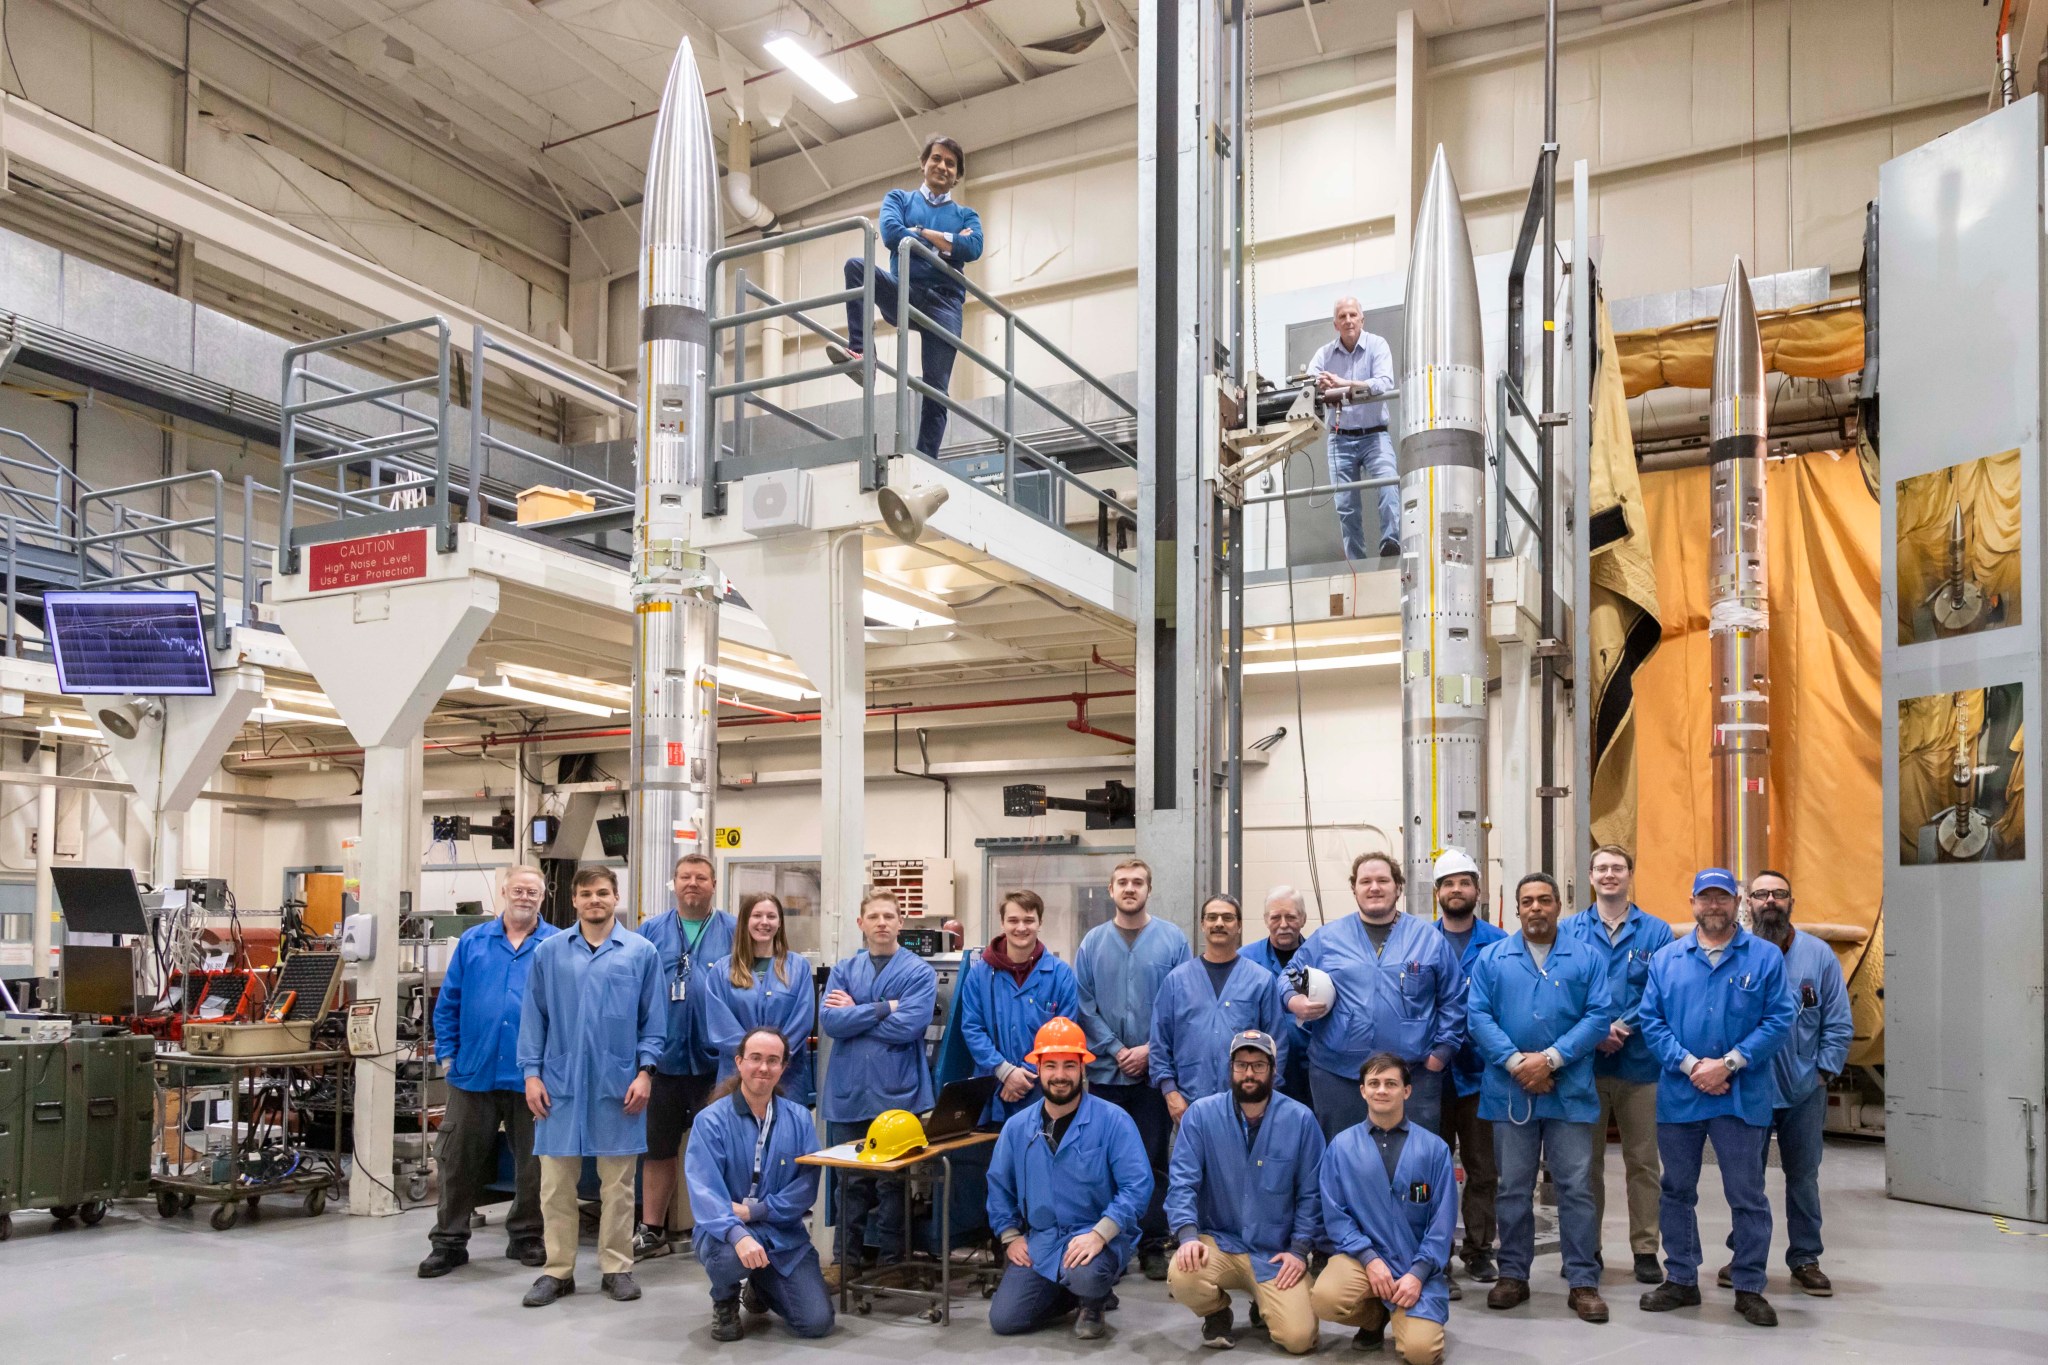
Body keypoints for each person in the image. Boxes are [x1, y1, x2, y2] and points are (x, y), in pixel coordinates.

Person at [1636, 868, 1797, 1328]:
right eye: (1705, 899)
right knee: (1676, 1190)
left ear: (1737, 903)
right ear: (1692, 904)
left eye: (1722, 898)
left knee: (1747, 1194)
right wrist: (1692, 1067)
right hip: (1681, 1095)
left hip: (1741, 1096)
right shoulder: (1667, 959)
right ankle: (1682, 1279)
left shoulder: (1764, 958)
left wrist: (1727, 1064)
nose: (1713, 906)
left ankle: (1748, 1286)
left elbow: (1779, 1019)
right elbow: (1652, 1022)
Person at [1463, 873, 1615, 1324]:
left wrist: (1549, 1060)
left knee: (1575, 1187)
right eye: (1527, 901)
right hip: (1510, 1091)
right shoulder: (1493, 959)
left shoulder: (1585, 958)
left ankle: (1583, 1279)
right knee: (1512, 1188)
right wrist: (1517, 1064)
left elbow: (1599, 1015)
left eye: (1544, 900)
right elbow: (1478, 1017)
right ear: (1516, 909)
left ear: (1557, 907)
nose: (1536, 908)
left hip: (1569, 1092)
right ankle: (1513, 1274)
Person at [516, 865, 663, 1307]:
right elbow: (533, 1018)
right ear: (574, 901)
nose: (594, 900)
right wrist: (531, 1074)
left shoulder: (640, 953)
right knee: (555, 1185)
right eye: (586, 894)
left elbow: (653, 1022)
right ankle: (557, 1271)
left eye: (602, 892)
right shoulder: (550, 952)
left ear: (615, 896)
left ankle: (616, 1267)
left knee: (618, 1186)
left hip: (619, 1085)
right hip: (558, 1085)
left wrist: (645, 1072)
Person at [1714, 870, 1851, 1298]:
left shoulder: (1819, 956)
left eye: (1778, 893)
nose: (1769, 900)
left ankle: (1806, 1257)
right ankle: (1744, 1254)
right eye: (1760, 894)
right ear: (1746, 903)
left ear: (1792, 901)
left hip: (1802, 1090)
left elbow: (1838, 1023)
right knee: (1744, 1178)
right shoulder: (1737, 955)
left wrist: (1822, 1073)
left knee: (1803, 1177)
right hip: (1748, 1086)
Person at [419, 865, 560, 1278]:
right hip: (473, 1073)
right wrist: (448, 1056)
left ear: (543, 897)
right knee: (457, 1159)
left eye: (533, 892)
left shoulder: (555, 945)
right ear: (504, 892)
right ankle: (448, 1241)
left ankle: (527, 1235)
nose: (525, 897)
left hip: (532, 1076)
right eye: (518, 889)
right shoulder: (472, 942)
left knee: (535, 1163)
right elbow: (448, 1002)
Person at [986, 1017, 1154, 1340]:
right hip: (1043, 1241)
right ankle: (1071, 1291)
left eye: (1068, 1066)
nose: (1059, 1076)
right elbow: (999, 1185)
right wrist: (1010, 1235)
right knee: (1004, 1320)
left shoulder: (1113, 1122)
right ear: (1038, 1068)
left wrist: (1101, 1233)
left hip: (1096, 1238)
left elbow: (1138, 1186)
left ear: (1083, 1069)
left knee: (1087, 1275)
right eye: (1050, 1066)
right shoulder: (1017, 1128)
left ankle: (1093, 1298)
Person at [1283, 853, 1465, 1139]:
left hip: (1412, 1077)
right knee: (1343, 1159)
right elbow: (1288, 975)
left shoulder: (1428, 939)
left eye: (1383, 880)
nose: (1374, 888)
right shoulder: (1328, 938)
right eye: (1365, 881)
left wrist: (1439, 1055)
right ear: (1354, 889)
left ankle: (1413, 1189)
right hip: (1338, 1075)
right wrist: (1294, 1001)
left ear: (1398, 887)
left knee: (1415, 1164)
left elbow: (1454, 999)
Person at [1165, 1030, 1325, 1354]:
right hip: (1219, 1243)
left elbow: (1313, 1194)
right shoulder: (1200, 1116)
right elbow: (1182, 1182)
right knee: (1183, 1275)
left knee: (1299, 1339)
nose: (1249, 1073)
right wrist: (1186, 1237)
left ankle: (1263, 1302)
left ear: (1273, 1070)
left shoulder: (1301, 1121)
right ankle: (1215, 1311)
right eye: (1241, 1064)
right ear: (1231, 1068)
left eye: (1258, 1065)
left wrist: (1299, 1250)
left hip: (1274, 1252)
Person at [1558, 843, 1673, 1283]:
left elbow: (1660, 993)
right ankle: (1589, 1248)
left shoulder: (1657, 932)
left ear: (1629, 875)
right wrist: (1597, 1030)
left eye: (1617, 868)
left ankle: (1645, 1249)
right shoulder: (1569, 931)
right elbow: (1565, 992)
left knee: (1643, 1162)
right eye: (1601, 868)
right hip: (1584, 1068)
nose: (1609, 875)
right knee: (1585, 1166)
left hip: (1640, 1066)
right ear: (1590, 876)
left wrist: (1619, 1026)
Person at [1074, 857, 1191, 1279]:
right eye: (1122, 882)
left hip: (1151, 1074)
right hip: (1106, 1073)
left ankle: (1154, 1242)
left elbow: (1179, 1002)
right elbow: (1084, 1003)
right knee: (1106, 1160)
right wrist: (1114, 1047)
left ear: (1148, 889)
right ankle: (1113, 1241)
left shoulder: (1173, 941)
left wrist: (1146, 1049)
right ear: (1110, 890)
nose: (1130, 888)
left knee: (1153, 1159)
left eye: (1138, 882)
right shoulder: (1091, 943)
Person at [831, 133, 983, 458]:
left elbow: (974, 247)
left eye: (951, 163)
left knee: (936, 390)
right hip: (905, 292)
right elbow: (890, 233)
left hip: (945, 303)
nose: (942, 166)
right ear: (923, 163)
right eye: (937, 158)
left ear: (958, 175)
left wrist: (919, 234)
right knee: (856, 267)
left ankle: (925, 460)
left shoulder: (967, 216)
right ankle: (861, 355)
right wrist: (947, 245)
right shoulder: (899, 199)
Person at [686, 1026, 834, 1342]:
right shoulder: (710, 1121)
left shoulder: (799, 1118)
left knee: (817, 1322)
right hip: (724, 1232)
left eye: (773, 1060)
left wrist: (756, 1211)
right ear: (739, 1062)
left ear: (783, 1067)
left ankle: (759, 1284)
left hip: (781, 1234)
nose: (763, 1068)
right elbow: (705, 1191)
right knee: (730, 1257)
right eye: (755, 1058)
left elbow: (806, 1186)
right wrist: (738, 1234)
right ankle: (725, 1298)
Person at [1309, 1053, 1457, 1364]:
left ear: (1407, 1091)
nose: (1381, 1090)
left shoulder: (1434, 1150)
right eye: (1373, 1083)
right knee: (1324, 1298)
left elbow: (1442, 1224)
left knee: (1421, 1353)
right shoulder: (1341, 1147)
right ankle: (1374, 1316)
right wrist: (1368, 1258)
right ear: (1362, 1090)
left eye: (1391, 1083)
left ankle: (1406, 1312)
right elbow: (1336, 1215)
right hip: (1364, 1262)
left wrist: (1417, 1275)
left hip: (1416, 1266)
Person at [819, 890, 937, 1280]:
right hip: (851, 1092)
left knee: (894, 1184)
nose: (882, 923)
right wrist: (885, 1007)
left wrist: (856, 1012)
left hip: (897, 1091)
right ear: (861, 923)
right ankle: (844, 1263)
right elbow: (832, 1023)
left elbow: (911, 1027)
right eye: (874, 916)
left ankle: (893, 1263)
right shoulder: (844, 969)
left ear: (901, 922)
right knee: (848, 1183)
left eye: (889, 916)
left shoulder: (918, 971)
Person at [633, 853, 737, 1260]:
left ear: (714, 885)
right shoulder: (650, 931)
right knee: (658, 1149)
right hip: (664, 1060)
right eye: (685, 877)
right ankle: (652, 1230)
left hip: (718, 1063)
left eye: (701, 878)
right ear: (674, 883)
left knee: (724, 1148)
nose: (692, 884)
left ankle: (726, 1228)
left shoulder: (732, 931)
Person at [1429, 848, 1505, 1295]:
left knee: (1483, 1169)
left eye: (1464, 882)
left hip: (1481, 1075)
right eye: (1448, 884)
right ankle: (1434, 1257)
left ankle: (1479, 1251)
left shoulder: (1499, 943)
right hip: (1431, 1076)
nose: (1456, 890)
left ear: (1477, 890)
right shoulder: (1419, 940)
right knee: (1431, 1169)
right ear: (1437, 893)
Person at [1151, 894, 1289, 1118]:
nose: (1219, 923)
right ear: (1202, 924)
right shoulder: (1176, 981)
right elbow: (1160, 1043)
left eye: (1227, 917)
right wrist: (1170, 1093)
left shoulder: (1260, 980)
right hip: (1189, 1104)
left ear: (1239, 926)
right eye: (1212, 917)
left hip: (1247, 1103)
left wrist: (1267, 1095)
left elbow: (1278, 1044)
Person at [958, 888, 1081, 1123]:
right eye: (1013, 920)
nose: (1021, 927)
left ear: (1040, 923)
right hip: (993, 1090)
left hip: (1040, 1092)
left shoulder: (1060, 975)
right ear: (1002, 923)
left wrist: (1021, 1077)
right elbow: (972, 1029)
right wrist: (1004, 1071)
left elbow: (1064, 1031)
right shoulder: (980, 975)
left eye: (1029, 920)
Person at [705, 893, 816, 1107]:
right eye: (757, 915)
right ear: (745, 920)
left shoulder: (799, 968)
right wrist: (753, 1060)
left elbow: (802, 1020)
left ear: (780, 923)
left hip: (786, 1076)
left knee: (785, 1134)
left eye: (771, 916)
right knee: (736, 1135)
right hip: (735, 1076)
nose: (764, 922)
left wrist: (773, 1059)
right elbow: (719, 1025)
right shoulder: (722, 970)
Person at [1309, 296, 1399, 560]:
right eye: (1342, 317)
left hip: (1375, 435)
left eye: (1352, 315)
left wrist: (1341, 383)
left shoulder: (1377, 345)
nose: (1348, 320)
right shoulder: (1324, 355)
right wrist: (1319, 386)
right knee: (1346, 506)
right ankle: (1356, 563)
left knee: (1389, 486)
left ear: (1362, 319)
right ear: (1335, 324)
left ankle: (1391, 543)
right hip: (1340, 439)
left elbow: (1383, 383)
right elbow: (1309, 384)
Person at [1243, 886, 1314, 1105]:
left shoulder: (1320, 957)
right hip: (1258, 1069)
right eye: (1276, 917)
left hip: (1309, 1070)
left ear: (1302, 919)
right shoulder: (1245, 960)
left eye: (1291, 917)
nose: (1283, 924)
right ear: (1265, 919)